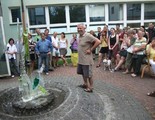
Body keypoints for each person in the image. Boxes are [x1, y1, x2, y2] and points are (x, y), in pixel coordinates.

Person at [77, 23, 101, 92]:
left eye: (80, 28)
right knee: (82, 73)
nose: (79, 29)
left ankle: (91, 87)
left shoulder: (88, 35)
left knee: (89, 75)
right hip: (81, 59)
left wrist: (91, 50)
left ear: (84, 28)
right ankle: (85, 84)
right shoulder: (80, 36)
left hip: (87, 60)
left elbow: (98, 41)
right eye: (78, 28)